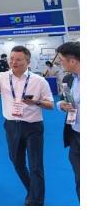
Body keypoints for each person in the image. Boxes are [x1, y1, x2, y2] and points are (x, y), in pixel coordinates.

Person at [0, 46, 54, 205]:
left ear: (28, 61)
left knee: (35, 166)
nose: (13, 62)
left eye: (18, 59)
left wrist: (36, 102)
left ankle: (36, 201)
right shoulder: (2, 77)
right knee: (17, 162)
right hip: (11, 126)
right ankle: (33, 191)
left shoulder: (39, 81)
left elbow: (50, 104)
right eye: (11, 59)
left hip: (33, 127)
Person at [55, 42, 79, 201]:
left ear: (73, 61)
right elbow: (63, 99)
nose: (59, 62)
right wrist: (61, 105)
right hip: (75, 135)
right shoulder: (68, 79)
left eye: (61, 60)